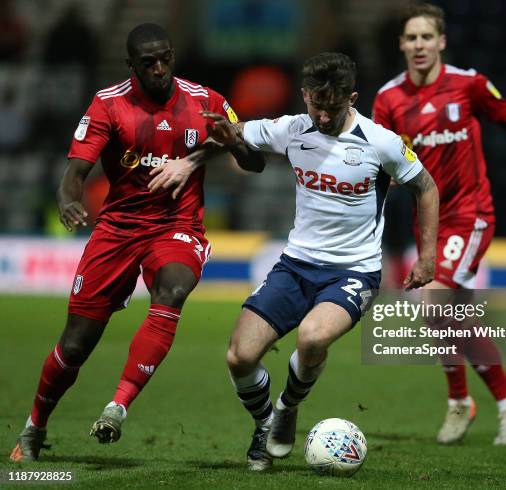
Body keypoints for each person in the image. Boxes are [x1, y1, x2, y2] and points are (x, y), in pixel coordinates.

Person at [151, 51, 439, 470]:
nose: (323, 116)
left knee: (312, 338)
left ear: (352, 98)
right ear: (304, 95)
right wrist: (190, 160)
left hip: (354, 270)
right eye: (316, 105)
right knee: (239, 357)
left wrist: (427, 255)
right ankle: (265, 423)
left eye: (334, 107)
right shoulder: (291, 129)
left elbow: (426, 188)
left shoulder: (381, 142)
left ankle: (287, 407)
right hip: (295, 265)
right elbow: (234, 134)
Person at [9, 23, 262, 462]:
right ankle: (35, 426)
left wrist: (234, 142)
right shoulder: (109, 105)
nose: (160, 68)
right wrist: (69, 203)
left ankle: (117, 405)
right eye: (149, 62)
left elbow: (253, 162)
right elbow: (74, 176)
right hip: (118, 230)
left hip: (176, 225)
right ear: (131, 65)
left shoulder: (206, 100)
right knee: (75, 345)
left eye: (166, 57)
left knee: (174, 288)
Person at [372, 2, 506, 445]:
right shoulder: (388, 99)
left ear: (441, 41)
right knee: (448, 316)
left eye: (426, 37)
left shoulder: (469, 85)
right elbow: (378, 160)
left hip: (470, 215)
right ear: (401, 44)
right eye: (411, 38)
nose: (418, 45)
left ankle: (460, 402)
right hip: (427, 221)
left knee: (433, 305)